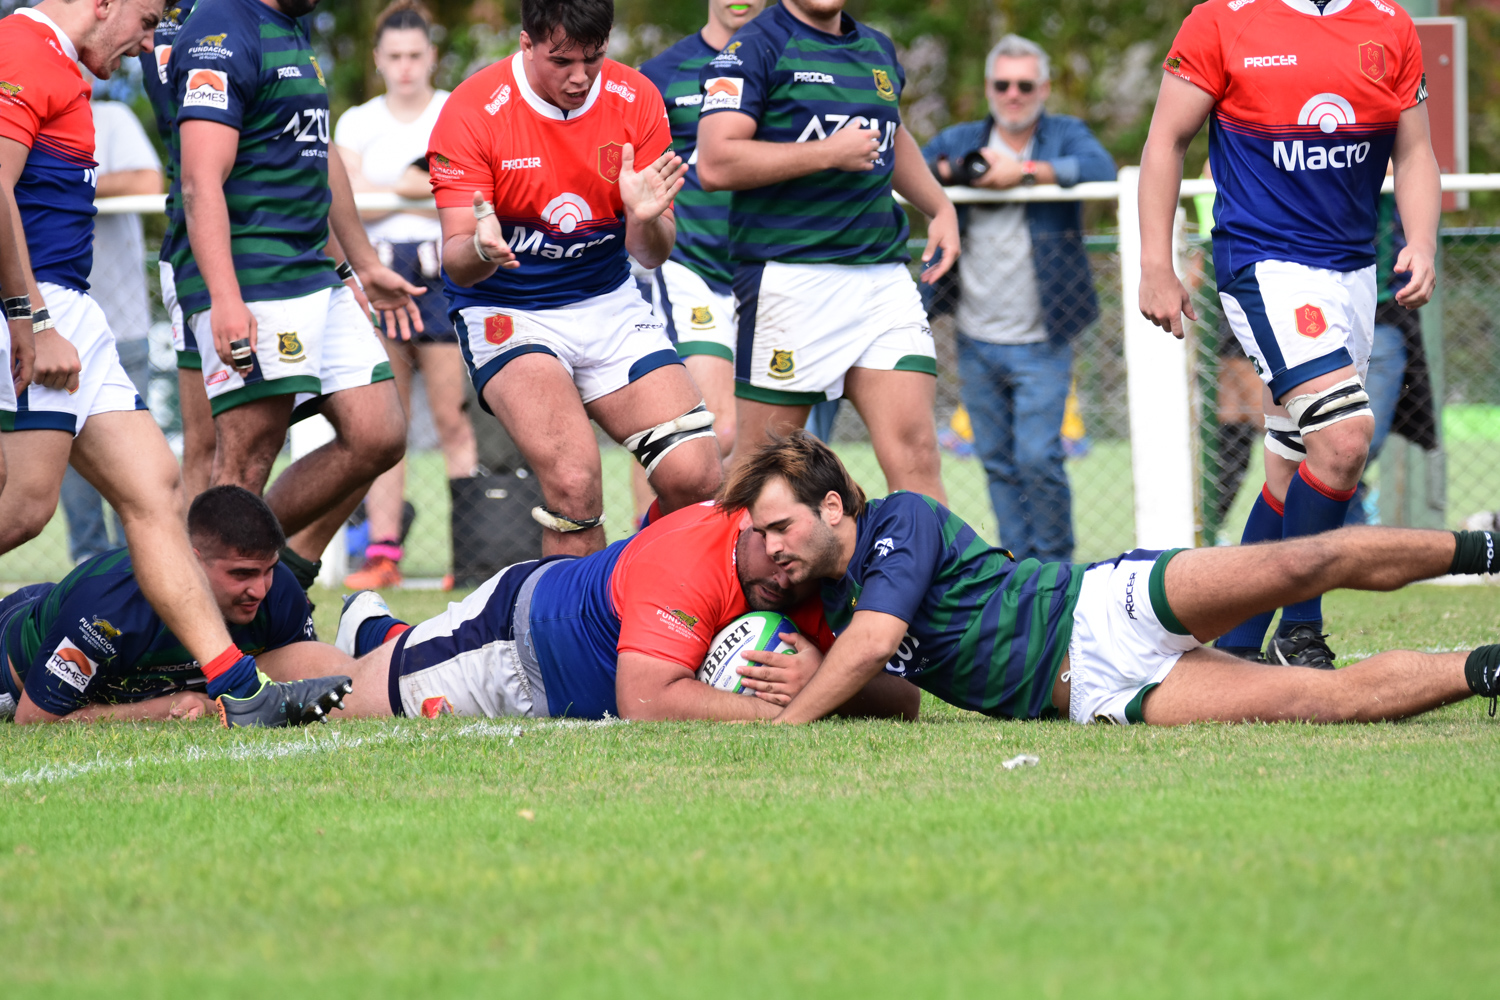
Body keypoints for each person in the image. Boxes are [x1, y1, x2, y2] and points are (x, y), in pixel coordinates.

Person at [0, 0, 346, 723]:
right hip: (38, 310)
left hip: (74, 312)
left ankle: (236, 687)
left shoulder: (64, 63)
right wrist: (30, 316)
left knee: (154, 492)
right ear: (105, 3)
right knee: (26, 508)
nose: (147, 42)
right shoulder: (23, 48)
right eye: (147, 19)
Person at [716, 430, 1500, 727]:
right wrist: (813, 670)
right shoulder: (827, 600)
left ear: (830, 505)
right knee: (1316, 703)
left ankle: (1484, 551)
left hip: (1103, 604)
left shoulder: (901, 520)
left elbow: (874, 646)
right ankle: (1486, 670)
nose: (771, 548)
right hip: (1091, 692)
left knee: (1304, 562)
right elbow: (901, 697)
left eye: (779, 528)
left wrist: (791, 724)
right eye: (760, 536)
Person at [1138, 0, 1441, 667]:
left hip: (1355, 277)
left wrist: (1421, 240)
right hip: (1265, 268)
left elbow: (1416, 151)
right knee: (1343, 441)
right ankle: (1299, 630)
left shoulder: (1389, 23)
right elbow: (1165, 141)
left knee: (1289, 473)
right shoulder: (1220, 20)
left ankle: (1237, 647)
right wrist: (1156, 265)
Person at [428, 0, 722, 557]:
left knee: (698, 476)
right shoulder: (471, 110)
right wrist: (484, 248)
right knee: (574, 480)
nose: (580, 77)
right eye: (562, 60)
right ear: (525, 43)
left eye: (595, 57)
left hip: (606, 298)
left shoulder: (635, 99)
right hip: (507, 308)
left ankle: (657, 599)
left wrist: (642, 219)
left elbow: (653, 253)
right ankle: (569, 636)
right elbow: (456, 259)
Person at [171, 0, 425, 588]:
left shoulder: (293, 24)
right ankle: (199, 628)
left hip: (312, 268)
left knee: (379, 432)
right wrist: (226, 297)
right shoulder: (220, 28)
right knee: (245, 458)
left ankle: (275, 567)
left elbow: (320, 149)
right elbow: (199, 179)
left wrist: (359, 265)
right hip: (253, 272)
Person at [298, 498, 917, 721]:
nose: (781, 560)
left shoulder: (794, 576)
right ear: (744, 522)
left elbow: (902, 700)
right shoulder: (690, 563)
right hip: (511, 647)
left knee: (390, 660)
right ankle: (232, 680)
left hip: (552, 638)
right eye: (769, 535)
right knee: (349, 702)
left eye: (793, 541)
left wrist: (820, 675)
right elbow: (646, 703)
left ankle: (381, 630)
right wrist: (778, 710)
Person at [694, 0, 960, 502]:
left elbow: (890, 132)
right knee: (760, 467)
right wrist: (829, 153)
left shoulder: (877, 48)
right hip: (791, 281)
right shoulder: (752, 47)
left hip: (882, 279)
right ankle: (706, 574)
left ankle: (934, 582)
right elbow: (715, 161)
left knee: (918, 452)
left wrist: (939, 205)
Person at [921, 34, 1116, 562]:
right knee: (998, 462)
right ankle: (1019, 569)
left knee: (1038, 458)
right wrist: (960, 173)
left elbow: (1101, 170)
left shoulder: (1063, 135)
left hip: (1044, 336)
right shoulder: (964, 137)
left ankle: (1057, 571)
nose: (1013, 94)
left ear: (1044, 88)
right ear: (988, 86)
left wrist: (1025, 173)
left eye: (1024, 84)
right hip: (975, 334)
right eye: (1002, 84)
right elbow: (914, 164)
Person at [1, 485, 354, 725]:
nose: (259, 590)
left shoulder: (279, 592)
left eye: (268, 570)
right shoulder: (106, 611)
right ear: (191, 561)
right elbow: (35, 721)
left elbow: (304, 670)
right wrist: (163, 707)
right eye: (242, 574)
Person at [335, 0, 478, 590]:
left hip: (442, 272)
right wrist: (417, 184)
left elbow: (461, 188)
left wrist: (382, 185)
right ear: (378, 60)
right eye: (394, 56)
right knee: (387, 425)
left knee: (452, 418)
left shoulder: (454, 111)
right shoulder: (357, 122)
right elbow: (345, 194)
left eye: (415, 55)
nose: (405, 67)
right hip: (379, 275)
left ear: (432, 56)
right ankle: (383, 554)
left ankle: (469, 554)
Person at [638, 0, 765, 464]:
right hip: (691, 266)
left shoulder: (788, 62)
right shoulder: (661, 72)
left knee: (763, 441)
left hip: (771, 270)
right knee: (704, 427)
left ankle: (734, 537)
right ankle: (647, 535)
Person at [59, 89, 163, 565]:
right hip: (50, 330)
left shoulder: (111, 117)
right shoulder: (18, 117)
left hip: (123, 331)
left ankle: (140, 583)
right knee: (64, 476)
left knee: (139, 480)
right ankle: (88, 586)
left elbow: (148, 179)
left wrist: (62, 181)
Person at [140, 0, 213, 498]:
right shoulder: (157, 21)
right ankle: (197, 572)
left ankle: (272, 568)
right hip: (197, 249)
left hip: (285, 255)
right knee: (208, 444)